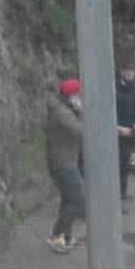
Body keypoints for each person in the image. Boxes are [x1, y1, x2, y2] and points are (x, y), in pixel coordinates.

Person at [45, 79, 85, 254]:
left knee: (68, 199)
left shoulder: (63, 110)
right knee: (77, 199)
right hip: (63, 163)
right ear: (71, 96)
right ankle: (57, 235)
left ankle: (65, 238)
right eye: (78, 95)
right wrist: (82, 113)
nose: (80, 98)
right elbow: (80, 131)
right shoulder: (63, 113)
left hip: (63, 161)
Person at [116, 63, 135, 201]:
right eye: (128, 72)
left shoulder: (134, 90)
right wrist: (118, 128)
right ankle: (114, 192)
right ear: (122, 72)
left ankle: (122, 192)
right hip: (116, 130)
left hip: (129, 130)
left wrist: (134, 125)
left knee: (125, 162)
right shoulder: (114, 88)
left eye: (133, 73)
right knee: (116, 163)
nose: (130, 76)